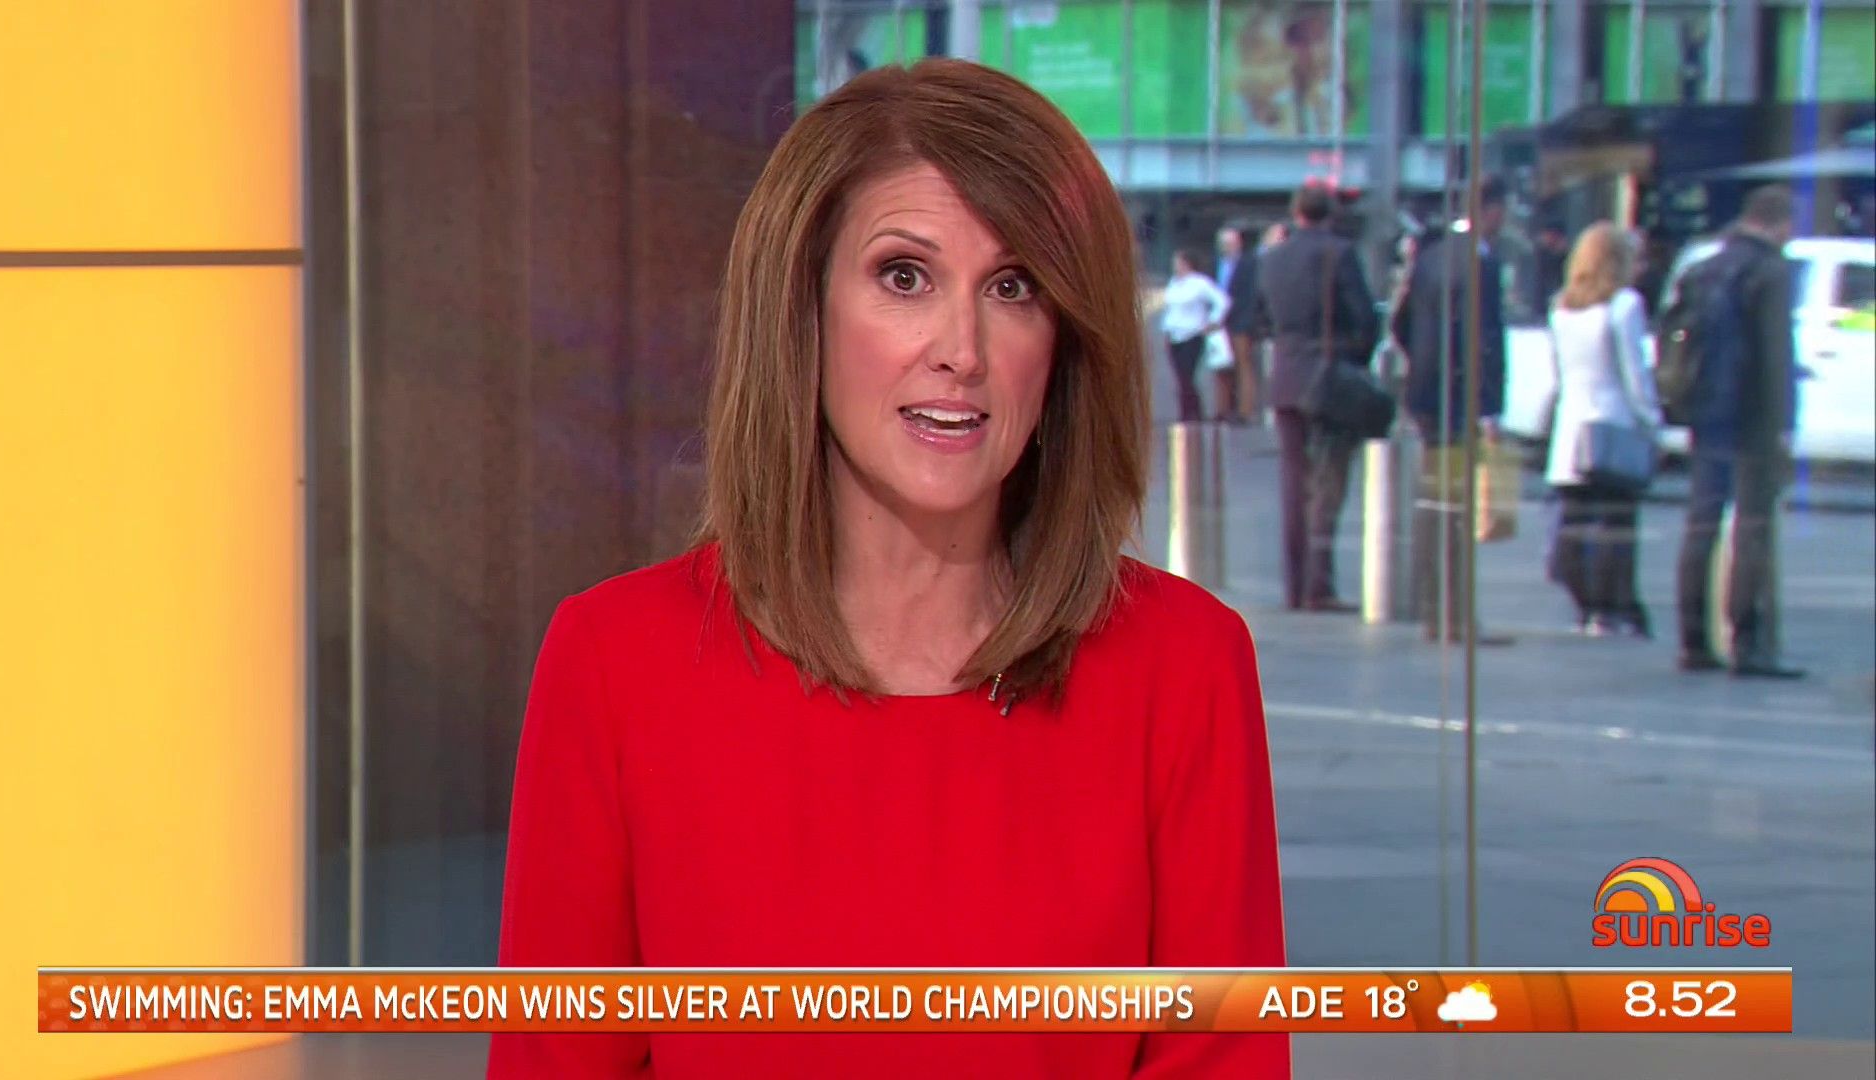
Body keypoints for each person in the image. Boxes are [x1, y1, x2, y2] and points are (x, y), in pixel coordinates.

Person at [488, 59, 1289, 1078]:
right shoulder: (617, 663)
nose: (962, 349)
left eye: (1014, 287)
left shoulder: (1184, 666)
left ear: (1064, 341)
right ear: (803, 310)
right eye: (905, 277)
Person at [1675, 185, 1804, 679]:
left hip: (1707, 411)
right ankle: (1748, 642)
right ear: (1779, 223)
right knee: (1752, 527)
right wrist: (1784, 424)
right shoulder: (1770, 272)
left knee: (1701, 522)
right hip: (1752, 419)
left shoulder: (1704, 268)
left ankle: (1693, 640)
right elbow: (1775, 354)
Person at [1391, 175, 1512, 645]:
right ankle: (1455, 614)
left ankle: (1433, 607)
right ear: (1491, 210)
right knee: (1458, 508)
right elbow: (1484, 341)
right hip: (1460, 399)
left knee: (1436, 504)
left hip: (1427, 394)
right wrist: (1489, 408)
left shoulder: (1433, 257)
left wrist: (1421, 365)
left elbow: (1401, 322)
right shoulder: (1481, 264)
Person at [1251, 184, 1378, 612]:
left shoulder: (1272, 259)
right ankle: (1318, 584)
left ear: (1296, 213)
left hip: (1285, 377)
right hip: (1327, 378)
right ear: (1330, 214)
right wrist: (1354, 358)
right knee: (1328, 482)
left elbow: (1259, 318)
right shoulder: (1340, 254)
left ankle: (1295, 584)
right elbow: (1364, 319)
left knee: (1293, 482)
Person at [1542, 222, 1663, 637]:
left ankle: (1586, 606)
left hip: (1571, 428)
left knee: (1575, 523)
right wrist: (1652, 422)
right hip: (1613, 423)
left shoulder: (1562, 308)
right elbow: (1635, 375)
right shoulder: (1625, 306)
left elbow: (1560, 374)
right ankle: (1615, 607)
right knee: (1617, 525)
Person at [1160, 248, 1229, 422]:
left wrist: (1213, 321)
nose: (1175, 266)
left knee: (1187, 374)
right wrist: (1166, 331)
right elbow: (1170, 310)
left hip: (1192, 335)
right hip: (1174, 335)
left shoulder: (1200, 283)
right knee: (1180, 376)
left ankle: (1193, 412)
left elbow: (1222, 301)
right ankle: (1187, 411)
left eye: (1178, 262)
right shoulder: (1174, 283)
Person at [1215, 225, 1262, 424]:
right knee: (1222, 367)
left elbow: (1252, 295)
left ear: (1239, 244)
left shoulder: (1249, 264)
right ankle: (1224, 409)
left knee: (1244, 365)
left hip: (1241, 322)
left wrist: (1249, 320)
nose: (1226, 247)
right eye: (1223, 243)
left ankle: (1245, 411)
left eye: (1230, 243)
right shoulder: (1217, 264)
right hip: (1219, 323)